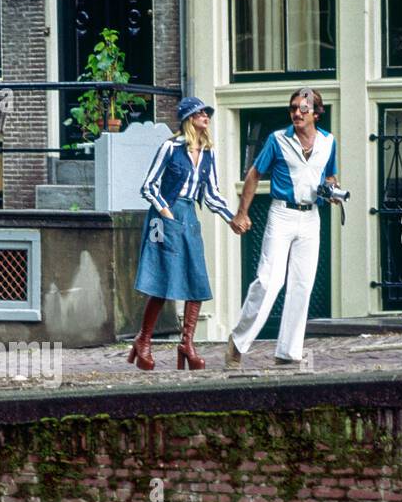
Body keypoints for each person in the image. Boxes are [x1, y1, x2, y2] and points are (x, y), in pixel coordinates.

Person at [225, 87, 345, 369]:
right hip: (281, 214)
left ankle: (288, 351)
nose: (296, 113)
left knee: (302, 284)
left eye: (303, 109)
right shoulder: (277, 139)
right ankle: (238, 342)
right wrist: (242, 212)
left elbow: (330, 175)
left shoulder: (329, 142)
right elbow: (254, 174)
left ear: (316, 113)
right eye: (293, 108)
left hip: (311, 215)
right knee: (268, 280)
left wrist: (334, 191)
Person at [128, 96, 240, 371]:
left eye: (207, 114)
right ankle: (143, 341)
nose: (207, 117)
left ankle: (186, 344)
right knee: (161, 281)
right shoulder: (170, 147)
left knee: (197, 278)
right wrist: (165, 211)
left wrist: (231, 218)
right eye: (202, 113)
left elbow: (211, 194)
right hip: (164, 218)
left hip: (189, 216)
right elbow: (148, 186)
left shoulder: (208, 153)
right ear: (190, 117)